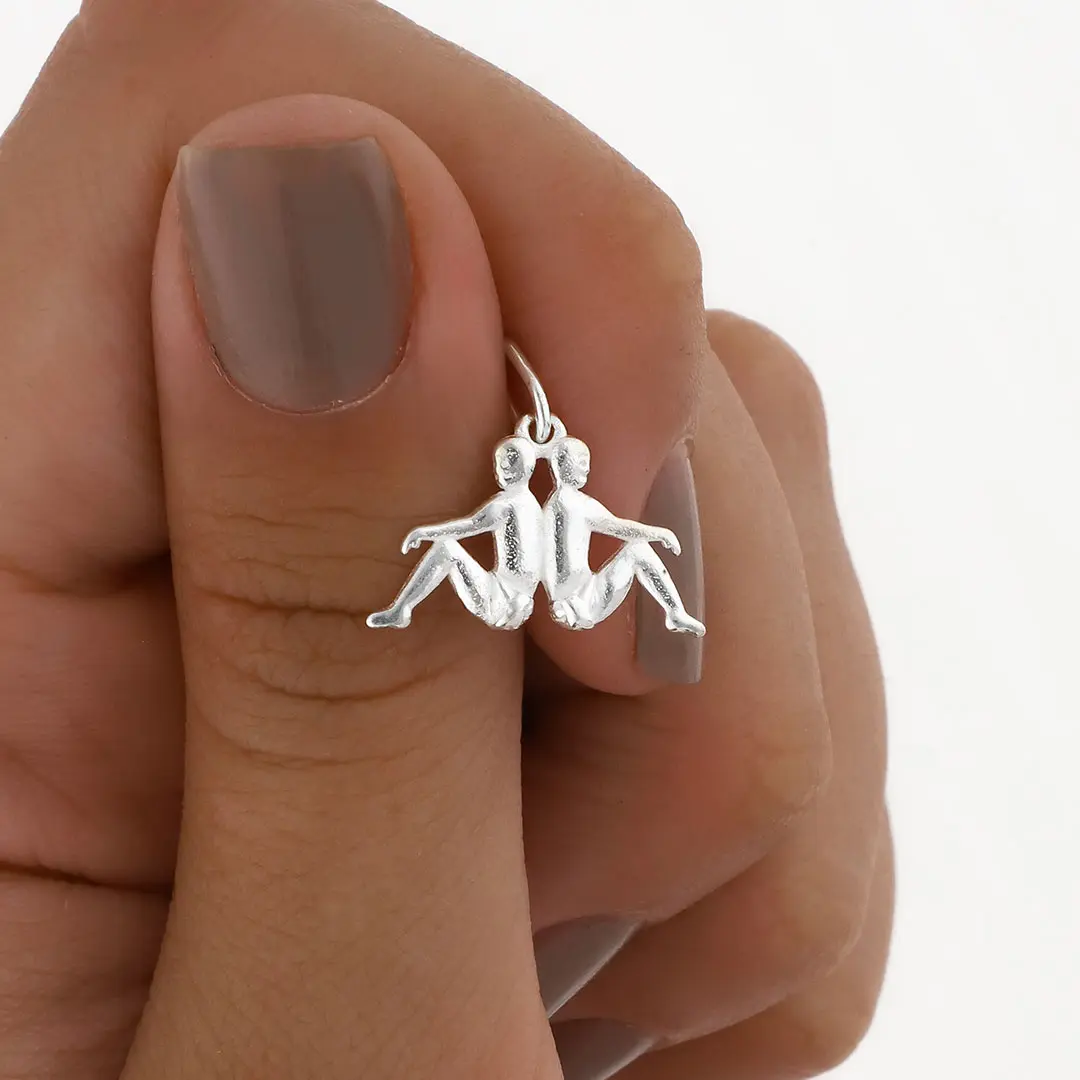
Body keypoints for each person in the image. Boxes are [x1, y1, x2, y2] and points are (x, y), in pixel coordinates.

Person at [0, 4, 890, 1080]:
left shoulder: (566, 504)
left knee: (643, 573)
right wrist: (373, 582)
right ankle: (397, 610)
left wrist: (658, 583)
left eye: (542, 461)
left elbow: (614, 531)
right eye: (528, 461)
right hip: (509, 600)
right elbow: (468, 531)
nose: (534, 468)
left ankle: (460, 610)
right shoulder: (512, 501)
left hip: (568, 604)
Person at [367, 436, 543, 629]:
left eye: (510, 462)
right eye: (500, 462)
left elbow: (469, 525)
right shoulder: (533, 505)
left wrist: (423, 533)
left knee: (446, 548)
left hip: (501, 602)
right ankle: (400, 610)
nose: (503, 468)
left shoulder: (505, 505)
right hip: (518, 603)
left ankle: (401, 610)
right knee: (447, 548)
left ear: (527, 467)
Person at [543, 436, 706, 635]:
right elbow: (619, 528)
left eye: (587, 462)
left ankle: (675, 613)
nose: (587, 468)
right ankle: (675, 612)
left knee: (637, 549)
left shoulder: (553, 505)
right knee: (638, 549)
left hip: (571, 599)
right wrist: (660, 533)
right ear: (561, 465)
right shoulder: (576, 504)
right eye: (581, 461)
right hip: (584, 602)